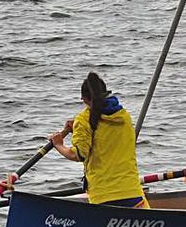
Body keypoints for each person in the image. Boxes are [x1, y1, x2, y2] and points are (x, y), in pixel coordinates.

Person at [47, 72, 148, 208]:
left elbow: (77, 154)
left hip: (102, 196)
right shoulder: (124, 116)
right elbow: (104, 132)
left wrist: (58, 144)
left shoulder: (84, 120)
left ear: (84, 99)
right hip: (132, 192)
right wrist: (78, 129)